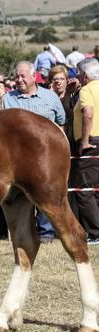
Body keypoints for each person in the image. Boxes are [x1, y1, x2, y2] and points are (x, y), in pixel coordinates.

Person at [0, 61, 66, 243]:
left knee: (46, 193)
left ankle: (46, 233)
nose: (19, 80)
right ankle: (24, 232)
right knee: (21, 199)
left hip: (46, 156)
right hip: (17, 159)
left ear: (34, 77)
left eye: (23, 76)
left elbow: (61, 122)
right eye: (17, 76)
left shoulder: (50, 98)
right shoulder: (9, 99)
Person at [71, 58, 99, 244]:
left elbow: (88, 112)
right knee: (96, 190)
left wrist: (85, 140)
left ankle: (95, 233)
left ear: (86, 75)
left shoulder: (87, 90)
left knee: (84, 190)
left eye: (79, 73)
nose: (78, 77)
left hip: (93, 142)